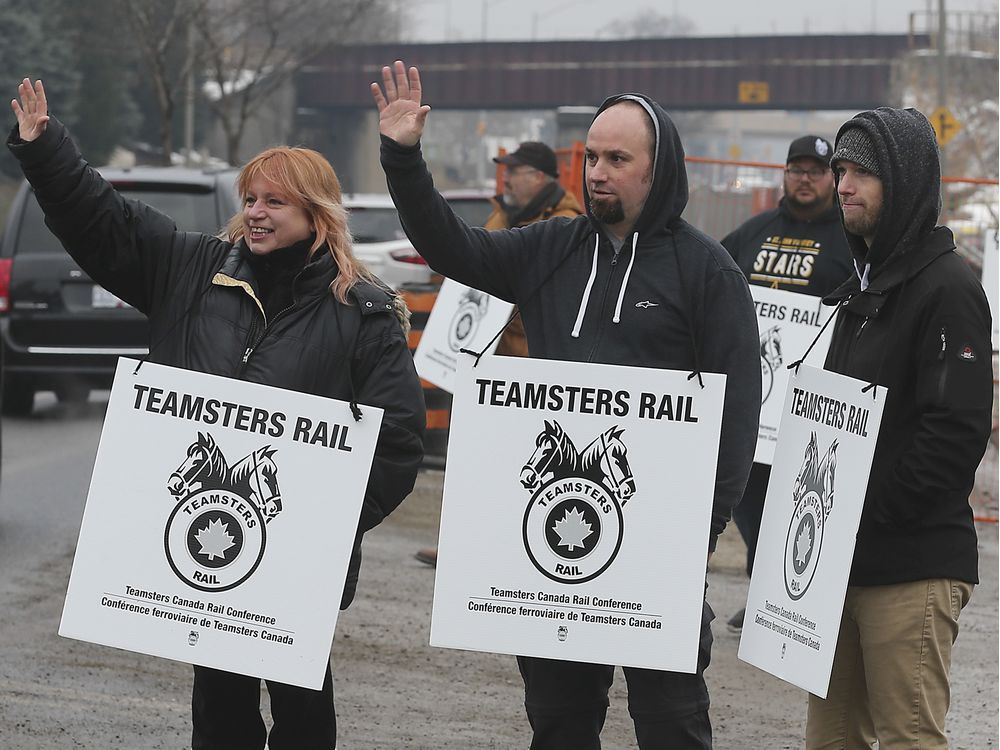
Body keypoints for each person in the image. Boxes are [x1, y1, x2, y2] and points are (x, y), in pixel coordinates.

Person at [9, 78, 425, 750]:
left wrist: (320, 526)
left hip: (298, 563)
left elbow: (399, 442)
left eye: (274, 202)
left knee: (302, 702)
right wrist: (46, 150)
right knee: (221, 704)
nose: (256, 213)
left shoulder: (365, 312)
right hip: (210, 536)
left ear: (316, 211)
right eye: (250, 200)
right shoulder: (190, 271)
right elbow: (105, 222)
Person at [373, 60, 760, 749]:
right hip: (557, 534)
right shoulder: (551, 247)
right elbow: (450, 245)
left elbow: (736, 418)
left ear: (658, 168)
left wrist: (697, 536)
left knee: (671, 724)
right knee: (558, 721)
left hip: (656, 548)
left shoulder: (708, 272)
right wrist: (403, 157)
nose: (598, 171)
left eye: (618, 158)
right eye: (590, 156)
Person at [806, 108, 993, 749]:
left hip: (911, 568)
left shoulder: (948, 290)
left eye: (863, 172)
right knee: (830, 741)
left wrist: (869, 512)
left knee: (908, 739)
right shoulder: (860, 292)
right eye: (841, 170)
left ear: (907, 183)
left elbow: (954, 434)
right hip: (841, 566)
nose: (844, 186)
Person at [414, 140, 583, 567]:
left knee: (525, 465)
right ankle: (458, 539)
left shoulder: (567, 225)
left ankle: (517, 546)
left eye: (517, 170)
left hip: (531, 368)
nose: (507, 178)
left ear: (541, 177)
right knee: (473, 456)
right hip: (484, 362)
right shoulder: (503, 215)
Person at [720, 134, 853, 632]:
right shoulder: (751, 235)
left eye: (816, 171)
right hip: (757, 398)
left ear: (832, 179)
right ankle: (764, 592)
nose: (804, 178)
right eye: (796, 169)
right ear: (784, 175)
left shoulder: (851, 241)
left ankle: (802, 597)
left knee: (807, 496)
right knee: (748, 497)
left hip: (819, 398)